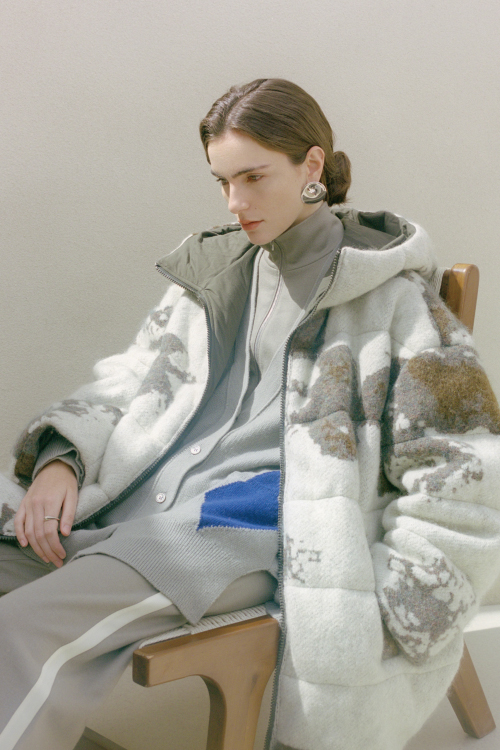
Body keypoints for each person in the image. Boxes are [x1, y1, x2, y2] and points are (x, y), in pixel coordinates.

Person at [1, 78, 500, 750]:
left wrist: (396, 614)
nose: (236, 203)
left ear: (312, 166)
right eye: (223, 182)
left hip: (235, 529)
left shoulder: (393, 301)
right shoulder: (219, 274)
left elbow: (462, 475)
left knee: (23, 630)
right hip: (139, 500)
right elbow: (131, 378)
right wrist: (61, 460)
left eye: (254, 177)